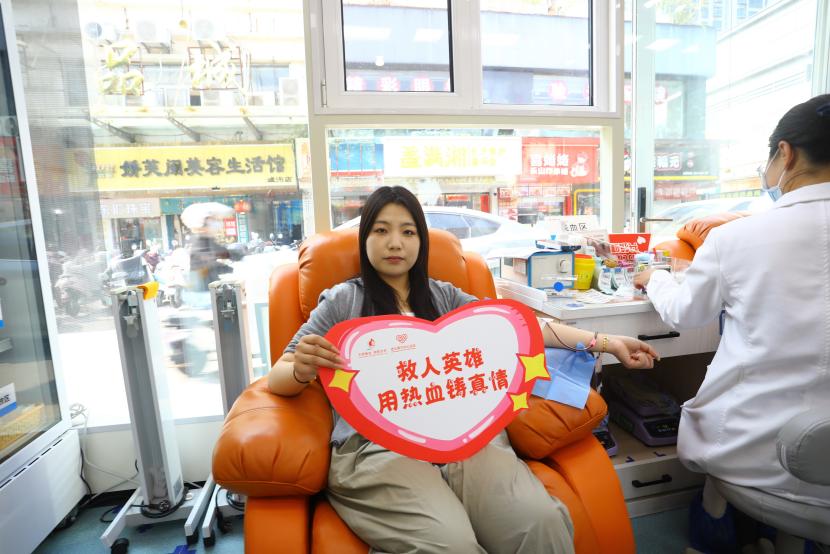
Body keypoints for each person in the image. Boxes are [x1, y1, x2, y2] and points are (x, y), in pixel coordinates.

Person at [268, 186, 658, 554]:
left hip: (466, 436)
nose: (395, 242)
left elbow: (522, 329)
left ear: (421, 241)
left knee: (539, 523)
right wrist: (301, 368)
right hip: (378, 446)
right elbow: (279, 375)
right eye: (381, 230)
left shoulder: (445, 296)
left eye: (407, 232)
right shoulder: (342, 302)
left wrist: (606, 341)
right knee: (451, 545)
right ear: (364, 238)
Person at [634, 94, 830, 549]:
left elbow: (685, 312)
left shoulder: (737, 237)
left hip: (754, 452)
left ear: (786, 153)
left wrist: (655, 278)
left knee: (717, 463)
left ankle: (715, 537)